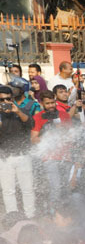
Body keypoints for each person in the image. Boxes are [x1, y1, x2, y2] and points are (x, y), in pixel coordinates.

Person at [0, 84, 36, 217]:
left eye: (8, 99)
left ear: (12, 99)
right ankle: (12, 217)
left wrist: (17, 112)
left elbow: (31, 124)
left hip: (23, 156)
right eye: (1, 100)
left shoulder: (21, 111)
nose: (5, 103)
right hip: (4, 158)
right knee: (8, 191)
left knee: (28, 189)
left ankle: (30, 216)